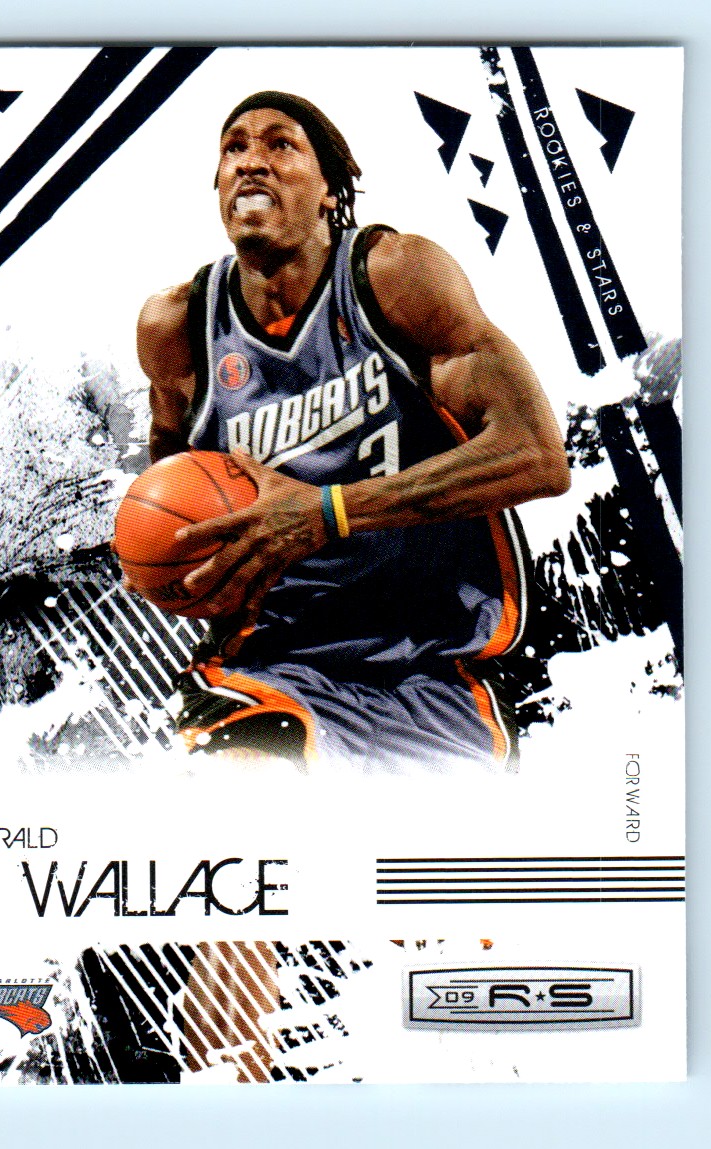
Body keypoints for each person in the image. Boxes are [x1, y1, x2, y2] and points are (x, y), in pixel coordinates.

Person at [134, 91, 570, 773]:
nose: (251, 162)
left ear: (331, 192)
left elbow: (536, 454)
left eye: (280, 144)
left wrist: (327, 512)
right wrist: (174, 560)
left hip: (434, 665)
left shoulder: (395, 278)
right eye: (233, 148)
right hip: (270, 664)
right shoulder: (178, 329)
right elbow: (165, 482)